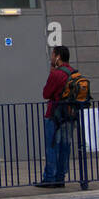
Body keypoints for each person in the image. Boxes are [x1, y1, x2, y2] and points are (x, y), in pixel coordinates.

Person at [36, 46, 75, 189]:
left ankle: (49, 178)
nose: (51, 57)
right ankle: (60, 177)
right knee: (65, 146)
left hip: (54, 114)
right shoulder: (73, 72)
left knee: (52, 146)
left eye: (53, 54)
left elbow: (46, 93)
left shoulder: (56, 74)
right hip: (69, 115)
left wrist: (52, 72)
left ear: (57, 56)